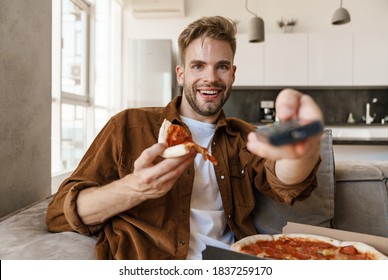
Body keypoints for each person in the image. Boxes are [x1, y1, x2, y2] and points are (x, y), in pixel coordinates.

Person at [46, 16, 323, 260]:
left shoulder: (242, 136)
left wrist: (303, 153)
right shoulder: (128, 125)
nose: (210, 78)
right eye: (198, 66)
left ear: (233, 74)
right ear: (181, 73)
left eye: (222, 67)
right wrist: (134, 188)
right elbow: (59, 214)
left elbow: (285, 180)